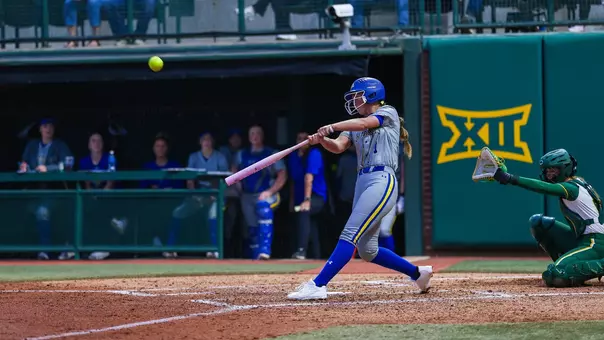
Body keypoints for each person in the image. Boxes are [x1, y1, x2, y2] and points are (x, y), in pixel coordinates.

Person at [287, 77, 433, 300]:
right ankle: (417, 274)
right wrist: (323, 140)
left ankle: (318, 284)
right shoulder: (354, 125)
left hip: (382, 179)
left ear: (371, 95)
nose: (354, 100)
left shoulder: (388, 113)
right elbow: (338, 147)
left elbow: (365, 124)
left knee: (349, 233)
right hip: (362, 182)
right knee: (368, 250)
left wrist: (332, 126)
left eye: (357, 95)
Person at [491, 148, 604, 288]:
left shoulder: (572, 187)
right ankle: (568, 266)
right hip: (581, 239)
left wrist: (509, 178)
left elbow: (543, 188)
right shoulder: (578, 182)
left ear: (565, 169)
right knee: (538, 223)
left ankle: (581, 267)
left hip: (596, 243)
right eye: (547, 170)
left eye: (553, 170)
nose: (549, 174)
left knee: (554, 274)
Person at [160, 132, 228, 259]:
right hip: (198, 195)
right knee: (178, 212)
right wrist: (195, 195)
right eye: (204, 140)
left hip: (216, 195)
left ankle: (214, 249)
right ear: (200, 142)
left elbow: (224, 179)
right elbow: (190, 179)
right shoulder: (194, 157)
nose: (206, 142)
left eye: (209, 139)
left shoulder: (220, 157)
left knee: (213, 215)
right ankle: (170, 248)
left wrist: (214, 195)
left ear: (213, 142)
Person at [20, 118, 73, 260]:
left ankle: (45, 250)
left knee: (42, 211)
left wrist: (48, 168)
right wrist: (24, 167)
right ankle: (17, 251)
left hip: (54, 191)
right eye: (44, 126)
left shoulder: (59, 145)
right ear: (40, 129)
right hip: (33, 190)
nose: (47, 129)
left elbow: (68, 165)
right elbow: (24, 162)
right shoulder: (32, 145)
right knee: (17, 209)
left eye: (50, 126)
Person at [233, 125, 287, 260]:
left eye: (258, 133)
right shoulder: (241, 154)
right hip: (247, 195)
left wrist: (270, 191)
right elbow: (234, 170)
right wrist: (238, 186)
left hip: (266, 193)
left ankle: (265, 251)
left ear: (262, 136)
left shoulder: (271, 152)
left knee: (263, 209)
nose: (255, 136)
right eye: (252, 133)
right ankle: (255, 256)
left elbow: (282, 174)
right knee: (251, 226)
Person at [288, 130, 327, 260]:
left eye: (305, 139)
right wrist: (292, 201)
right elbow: (293, 180)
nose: (302, 141)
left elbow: (309, 177)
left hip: (316, 196)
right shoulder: (293, 156)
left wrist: (307, 200)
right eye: (299, 138)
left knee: (305, 213)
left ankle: (301, 250)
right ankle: (316, 256)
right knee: (311, 224)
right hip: (300, 198)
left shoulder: (314, 153)